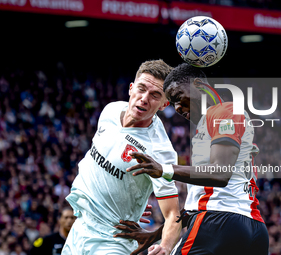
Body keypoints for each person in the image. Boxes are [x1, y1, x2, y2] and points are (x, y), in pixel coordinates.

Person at [116, 63, 269, 255]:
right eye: (173, 103)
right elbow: (203, 198)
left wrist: (164, 169)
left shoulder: (224, 112)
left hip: (219, 224)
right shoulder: (207, 128)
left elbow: (220, 174)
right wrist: (156, 234)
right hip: (252, 229)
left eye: (179, 98)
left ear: (199, 86)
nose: (178, 108)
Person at [61, 60, 181, 255]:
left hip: (113, 241)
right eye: (141, 89)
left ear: (163, 104)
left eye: (155, 95)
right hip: (80, 228)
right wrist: (128, 202)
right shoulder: (111, 110)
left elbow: (172, 214)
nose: (144, 99)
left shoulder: (159, 150)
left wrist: (165, 246)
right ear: (131, 88)